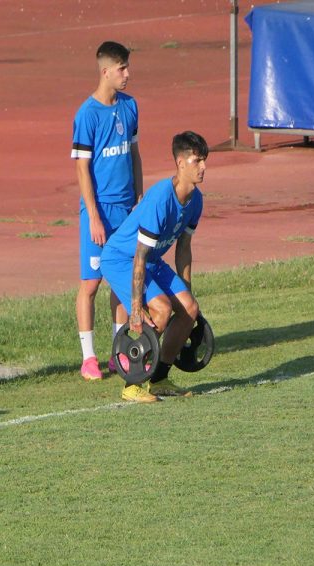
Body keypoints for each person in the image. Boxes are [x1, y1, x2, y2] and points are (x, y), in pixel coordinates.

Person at [100, 131, 208, 403]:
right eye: (197, 161)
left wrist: (187, 293)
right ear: (180, 163)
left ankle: (159, 379)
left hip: (150, 260)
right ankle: (132, 383)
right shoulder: (160, 198)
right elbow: (138, 255)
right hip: (121, 259)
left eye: (204, 160)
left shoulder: (196, 200)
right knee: (160, 309)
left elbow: (183, 250)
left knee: (189, 310)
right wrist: (136, 309)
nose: (203, 167)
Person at [71, 41, 143, 381]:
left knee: (121, 280)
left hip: (127, 210)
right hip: (99, 211)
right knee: (90, 283)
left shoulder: (130, 107)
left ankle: (118, 352)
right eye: (122, 69)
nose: (127, 74)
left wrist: (140, 196)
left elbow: (134, 155)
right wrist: (94, 215)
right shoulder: (87, 114)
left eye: (127, 68)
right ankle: (88, 358)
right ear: (105, 71)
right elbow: (82, 169)